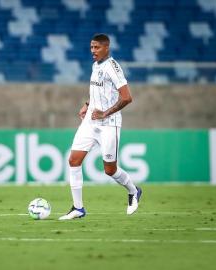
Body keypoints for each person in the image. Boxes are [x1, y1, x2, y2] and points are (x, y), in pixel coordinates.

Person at [59, 34, 142, 220]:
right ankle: (78, 208)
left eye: (96, 48)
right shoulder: (95, 65)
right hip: (90, 121)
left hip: (108, 124)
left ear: (107, 48)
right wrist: (87, 104)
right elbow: (100, 90)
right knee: (73, 160)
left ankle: (133, 190)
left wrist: (105, 113)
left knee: (110, 170)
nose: (92, 51)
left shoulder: (113, 68)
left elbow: (127, 97)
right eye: (91, 47)